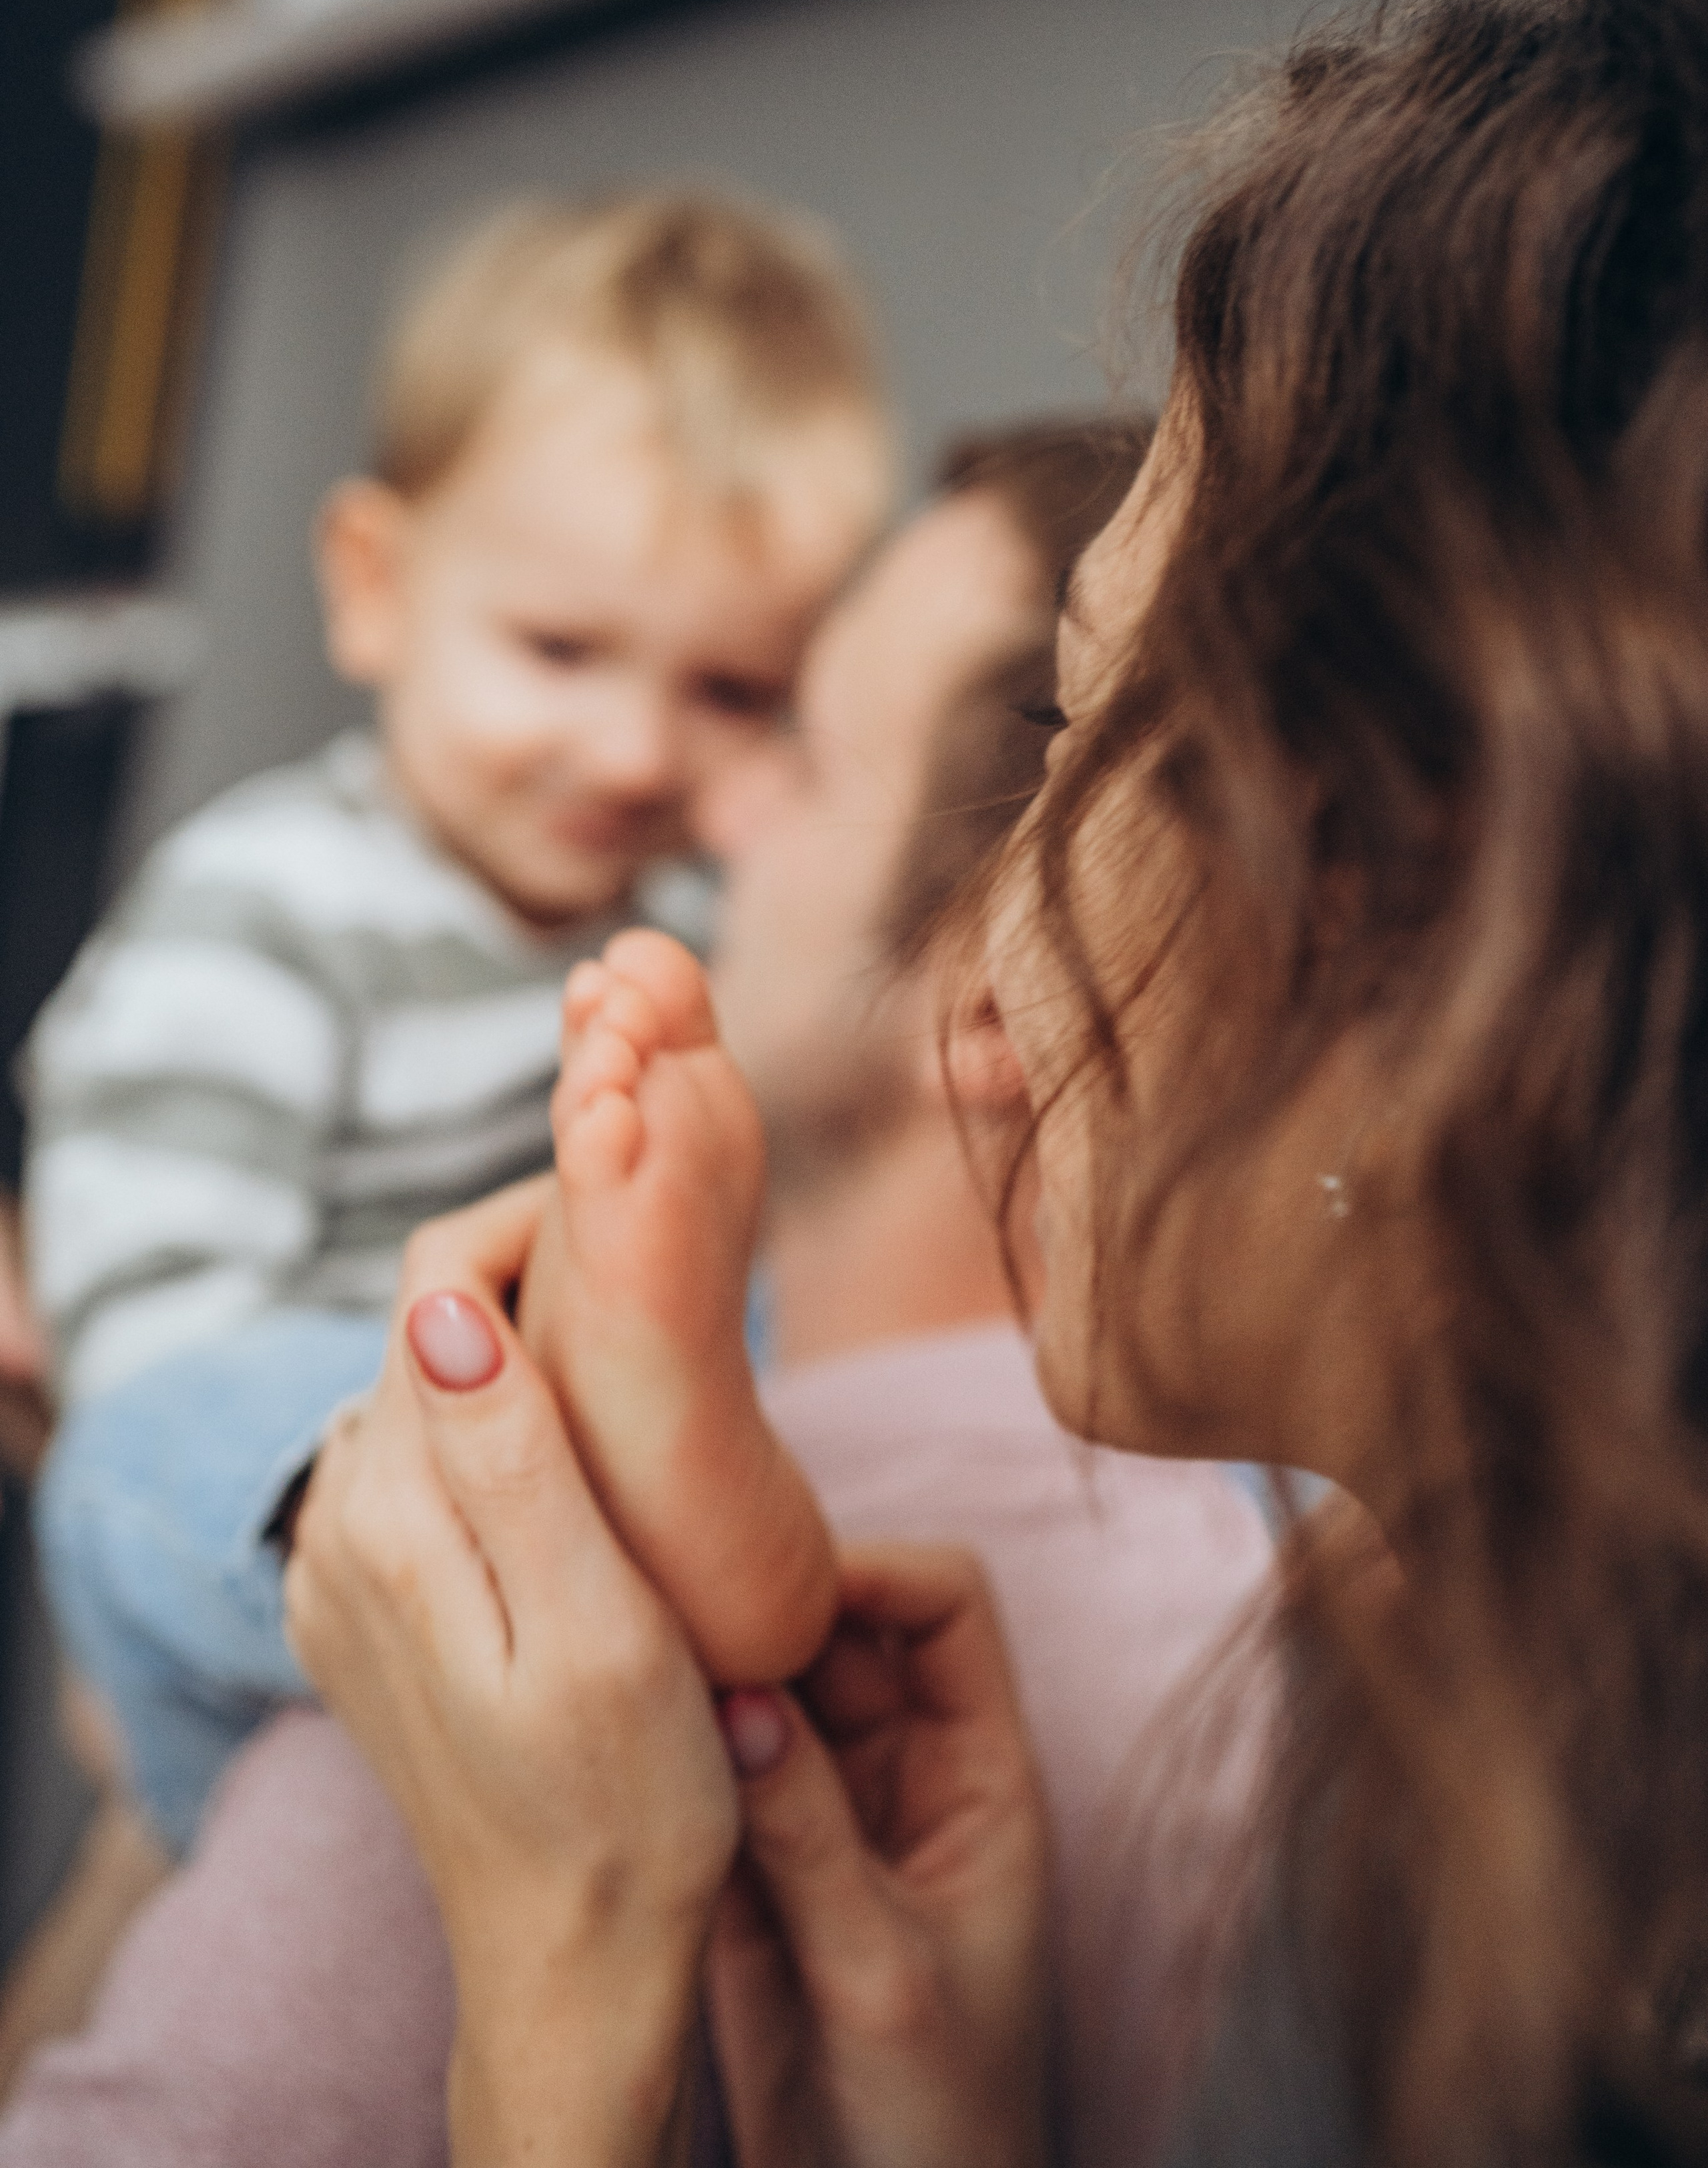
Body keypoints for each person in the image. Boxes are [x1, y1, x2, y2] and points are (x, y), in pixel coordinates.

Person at [272, 0, 1708, 2167]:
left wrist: (569, 1997)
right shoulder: (1470, 1766)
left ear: (1412, 886)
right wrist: (949, 2122)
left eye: (1075, 710)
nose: (989, 916)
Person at [0, 418, 1273, 2168]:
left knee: (175, 1433)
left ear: (1003, 977)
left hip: (464, 1522)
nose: (704, 794)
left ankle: (441, 1503)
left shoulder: (495, 1746)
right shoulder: (1307, 1623)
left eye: (798, 744)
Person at [23, 189, 895, 1852]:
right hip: (303, 1509)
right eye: (559, 648)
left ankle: (658, 1544)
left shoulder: (692, 924)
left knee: (778, 1301)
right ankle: (462, 1555)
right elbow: (146, 1336)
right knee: (160, 1427)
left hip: (609, 1478)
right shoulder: (261, 914)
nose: (637, 751)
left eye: (726, 690)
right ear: (375, 588)